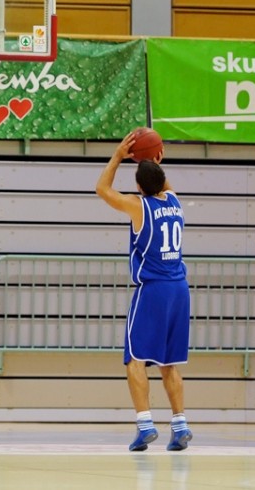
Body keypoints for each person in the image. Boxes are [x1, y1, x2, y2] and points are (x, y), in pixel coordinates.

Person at [95, 131, 193, 452]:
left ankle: (145, 424)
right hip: (180, 290)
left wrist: (118, 155)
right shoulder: (174, 201)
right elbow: (160, 182)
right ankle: (180, 426)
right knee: (169, 363)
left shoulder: (138, 206)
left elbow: (102, 189)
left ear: (138, 187)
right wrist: (152, 160)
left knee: (135, 359)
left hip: (153, 291)